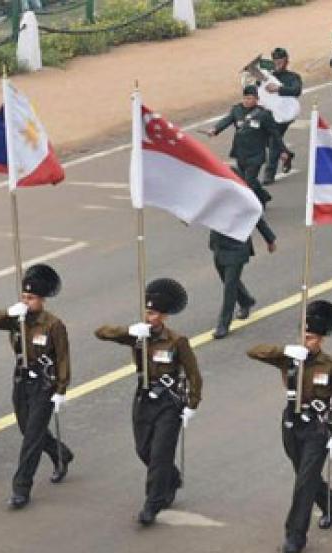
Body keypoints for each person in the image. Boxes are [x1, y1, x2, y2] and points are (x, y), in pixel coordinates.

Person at [95, 278, 201, 526]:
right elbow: (100, 333)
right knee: (144, 450)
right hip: (144, 399)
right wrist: (130, 332)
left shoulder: (177, 341)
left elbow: (194, 373)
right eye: (147, 311)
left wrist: (192, 405)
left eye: (153, 313)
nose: (149, 316)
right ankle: (171, 478)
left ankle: (152, 505)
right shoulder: (138, 336)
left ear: (163, 316)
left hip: (169, 402)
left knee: (160, 454)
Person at [247, 301, 332, 553]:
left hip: (318, 428)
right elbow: (253, 351)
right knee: (305, 476)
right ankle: (330, 501)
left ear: (322, 339)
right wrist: (287, 351)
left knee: (304, 483)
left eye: (312, 337)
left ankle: (295, 537)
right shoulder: (289, 358)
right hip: (291, 425)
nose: (307, 341)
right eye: (304, 335)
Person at [0, 264, 73, 509]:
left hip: (44, 385)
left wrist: (61, 389)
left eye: (31, 298)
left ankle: (21, 488)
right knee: (26, 428)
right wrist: (10, 313)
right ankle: (60, 453)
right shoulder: (16, 319)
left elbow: (63, 358)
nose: (26, 301)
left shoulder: (53, 325)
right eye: (24, 297)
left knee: (31, 438)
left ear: (42, 300)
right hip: (21, 381)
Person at [204, 85, 283, 207]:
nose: (247, 101)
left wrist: (283, 150)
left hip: (256, 153)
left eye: (250, 98)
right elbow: (227, 120)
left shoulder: (263, 114)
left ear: (256, 99)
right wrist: (215, 129)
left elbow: (275, 133)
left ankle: (254, 205)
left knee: (249, 180)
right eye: (245, 98)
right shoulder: (237, 110)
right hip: (240, 152)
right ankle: (263, 195)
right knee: (245, 179)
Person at [210, 209, 277, 339]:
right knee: (228, 280)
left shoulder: (242, 197)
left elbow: (257, 217)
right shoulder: (216, 195)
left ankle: (223, 324)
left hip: (237, 247)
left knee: (230, 286)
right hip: (218, 246)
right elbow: (203, 209)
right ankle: (246, 301)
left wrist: (270, 240)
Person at [262, 48, 302, 184]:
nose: (278, 64)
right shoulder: (267, 76)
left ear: (286, 61)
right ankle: (286, 153)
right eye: (276, 61)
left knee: (273, 141)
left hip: (285, 114)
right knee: (265, 139)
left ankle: (269, 174)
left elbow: (296, 90)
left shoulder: (293, 77)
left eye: (281, 61)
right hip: (269, 113)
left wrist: (278, 88)